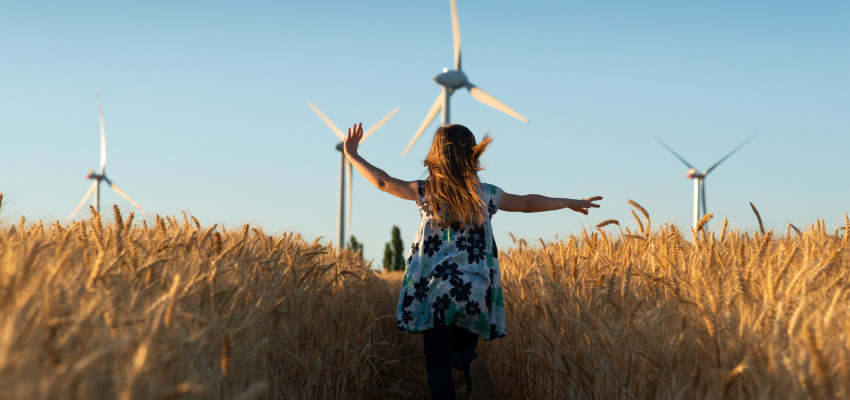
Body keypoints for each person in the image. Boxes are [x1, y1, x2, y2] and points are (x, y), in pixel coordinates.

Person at [343, 122, 602, 400]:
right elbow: (527, 203)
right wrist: (569, 202)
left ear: (435, 156)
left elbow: (383, 182)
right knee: (462, 350)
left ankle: (464, 368)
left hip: (436, 291)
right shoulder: (487, 194)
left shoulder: (426, 192)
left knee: (437, 363)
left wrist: (353, 154)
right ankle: (469, 363)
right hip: (477, 291)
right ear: (473, 155)